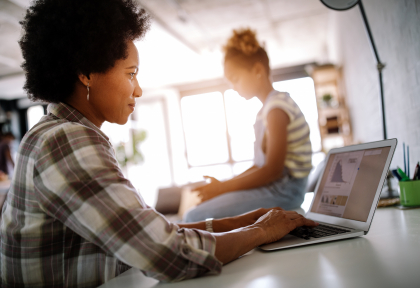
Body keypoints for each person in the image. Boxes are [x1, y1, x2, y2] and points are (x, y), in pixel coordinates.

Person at [0, 1, 317, 287]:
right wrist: (262, 232)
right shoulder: (65, 142)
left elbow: (146, 231)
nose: (137, 90)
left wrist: (242, 220)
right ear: (86, 73)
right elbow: (166, 253)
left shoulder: (58, 133)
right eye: (131, 74)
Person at [184, 29, 313, 223]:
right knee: (197, 212)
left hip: (286, 191)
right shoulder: (266, 110)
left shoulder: (277, 108)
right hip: (276, 187)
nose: (233, 87)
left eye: (235, 79)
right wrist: (224, 185)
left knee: (194, 216)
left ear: (258, 71)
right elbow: (259, 166)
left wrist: (223, 188)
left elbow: (272, 171)